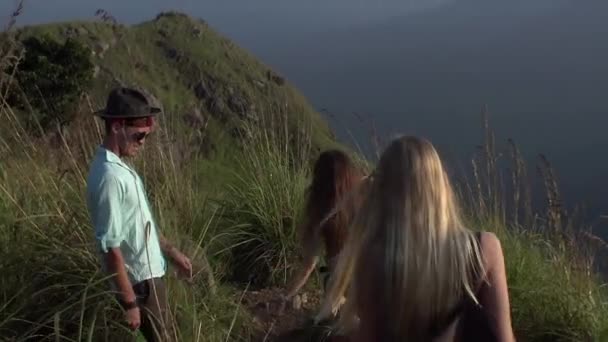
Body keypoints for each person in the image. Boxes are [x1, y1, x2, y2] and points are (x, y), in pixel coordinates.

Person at [316, 136, 515, 341]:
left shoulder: (373, 259)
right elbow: (504, 338)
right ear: (440, 185)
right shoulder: (485, 248)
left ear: (385, 192)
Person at [86, 87, 193, 341]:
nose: (143, 143)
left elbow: (140, 226)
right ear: (116, 127)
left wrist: (170, 251)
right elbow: (110, 246)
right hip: (141, 286)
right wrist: (130, 303)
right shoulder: (110, 178)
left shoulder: (120, 168)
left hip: (149, 279)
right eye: (139, 136)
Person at [280, 150, 366, 309]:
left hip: (341, 286)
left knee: (326, 274)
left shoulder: (320, 216)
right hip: (372, 281)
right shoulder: (362, 201)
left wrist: (285, 296)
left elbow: (307, 266)